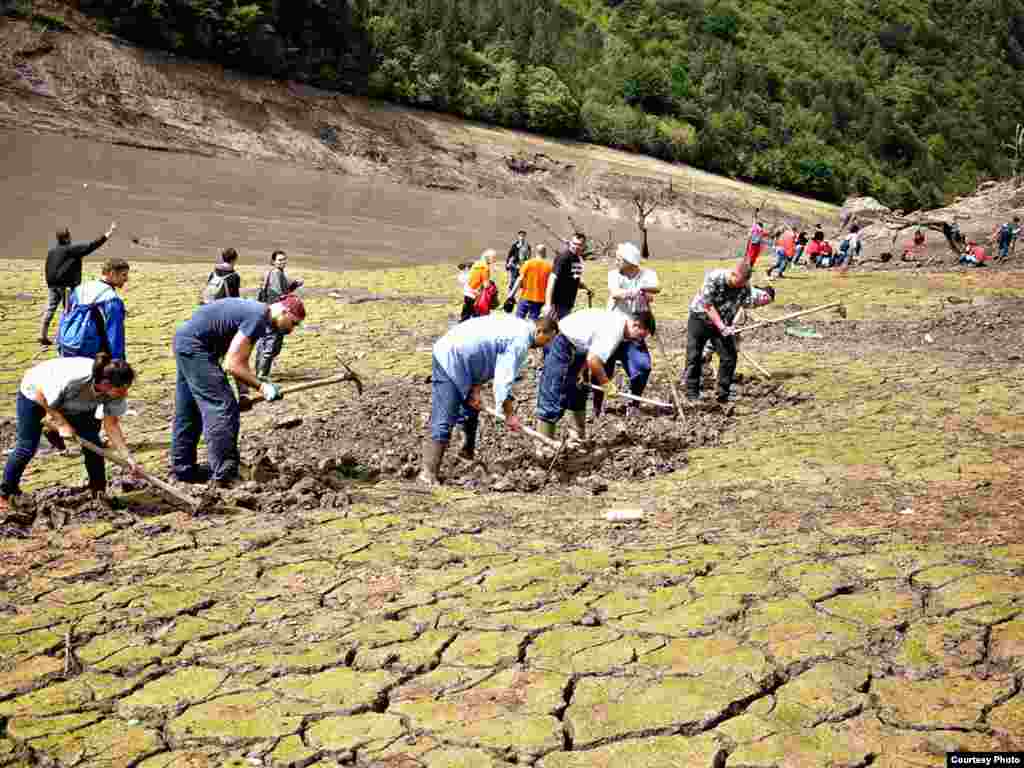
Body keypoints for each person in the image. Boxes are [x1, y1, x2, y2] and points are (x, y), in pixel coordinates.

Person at [171, 295, 306, 487]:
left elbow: (238, 358)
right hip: (196, 348)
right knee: (223, 407)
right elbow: (232, 364)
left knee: (189, 409)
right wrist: (262, 386)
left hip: (186, 341)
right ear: (284, 311)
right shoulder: (259, 317)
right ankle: (225, 475)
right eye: (293, 323)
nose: (291, 330)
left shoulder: (256, 312)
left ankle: (183, 470)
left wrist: (243, 393)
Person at [1, 354, 140, 529]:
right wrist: (62, 424)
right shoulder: (74, 380)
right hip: (36, 393)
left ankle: (98, 492)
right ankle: (5, 493)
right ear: (105, 384)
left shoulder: (115, 391)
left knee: (93, 444)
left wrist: (127, 457)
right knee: (26, 447)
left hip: (78, 404)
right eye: (121, 389)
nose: (125, 393)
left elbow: (111, 425)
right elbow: (40, 396)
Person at [419, 314, 559, 486]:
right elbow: (503, 382)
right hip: (452, 356)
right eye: (548, 339)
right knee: (445, 416)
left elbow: (487, 351)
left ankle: (464, 461)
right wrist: (509, 414)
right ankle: (428, 474)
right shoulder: (520, 341)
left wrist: (476, 388)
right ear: (539, 331)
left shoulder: (520, 326)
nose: (547, 344)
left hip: (465, 358)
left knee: (469, 412)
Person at [535, 308, 655, 445]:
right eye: (639, 336)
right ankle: (543, 447)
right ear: (635, 324)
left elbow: (591, 348)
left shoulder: (618, 324)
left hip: (579, 348)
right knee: (553, 392)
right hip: (563, 343)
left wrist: (581, 370)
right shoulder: (615, 330)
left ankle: (577, 439)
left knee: (578, 390)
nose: (637, 341)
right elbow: (593, 359)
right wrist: (607, 384)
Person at [683, 259, 775, 404]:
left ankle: (722, 393)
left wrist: (760, 318)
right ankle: (691, 392)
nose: (740, 287)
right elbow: (707, 304)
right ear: (733, 274)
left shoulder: (744, 286)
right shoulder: (714, 277)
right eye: (738, 283)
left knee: (729, 357)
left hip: (723, 322)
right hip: (700, 317)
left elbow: (746, 304)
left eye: (743, 284)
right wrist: (722, 326)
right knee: (694, 354)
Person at [600, 242, 660, 408]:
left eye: (619, 259)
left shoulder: (647, 274)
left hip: (635, 330)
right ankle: (598, 407)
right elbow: (615, 292)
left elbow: (656, 288)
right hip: (612, 330)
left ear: (629, 262)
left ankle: (634, 403)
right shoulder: (614, 274)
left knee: (643, 367)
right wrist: (633, 293)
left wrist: (645, 291)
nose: (616, 261)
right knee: (603, 369)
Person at [40, 221, 117, 346]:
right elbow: (91, 246)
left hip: (52, 284)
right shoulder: (71, 250)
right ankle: (65, 336)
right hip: (65, 285)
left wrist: (50, 282)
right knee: (68, 311)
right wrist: (108, 234)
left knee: (50, 309)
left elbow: (48, 266)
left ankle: (42, 335)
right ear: (67, 237)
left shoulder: (52, 251)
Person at [57, 257, 130, 360]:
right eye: (124, 275)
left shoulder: (80, 289)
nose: (126, 279)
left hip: (68, 345)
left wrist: (60, 344)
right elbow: (115, 334)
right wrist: (118, 361)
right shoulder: (111, 299)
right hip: (93, 353)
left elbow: (65, 315)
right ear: (112, 273)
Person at [255, 250, 305, 381]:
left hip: (267, 312)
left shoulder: (273, 273)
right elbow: (280, 296)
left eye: (284, 259)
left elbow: (282, 293)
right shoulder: (276, 274)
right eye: (279, 260)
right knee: (271, 345)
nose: (282, 262)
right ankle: (262, 375)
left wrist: (293, 285)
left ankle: (259, 372)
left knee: (264, 343)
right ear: (273, 261)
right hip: (276, 315)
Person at [543, 232, 593, 321]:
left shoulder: (577, 259)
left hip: (567, 304)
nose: (576, 246)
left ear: (583, 246)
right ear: (570, 242)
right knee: (554, 332)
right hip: (557, 304)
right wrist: (548, 304)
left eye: (579, 245)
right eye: (574, 243)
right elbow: (552, 279)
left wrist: (587, 289)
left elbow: (575, 279)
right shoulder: (563, 257)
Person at [509, 244, 552, 321]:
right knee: (533, 323)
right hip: (539, 300)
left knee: (518, 320)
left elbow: (519, 279)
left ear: (536, 252)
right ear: (545, 253)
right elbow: (550, 285)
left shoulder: (528, 263)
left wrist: (511, 295)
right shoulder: (549, 267)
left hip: (525, 297)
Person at [461, 249, 495, 322]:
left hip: (467, 292)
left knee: (465, 316)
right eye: (493, 258)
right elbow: (486, 285)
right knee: (478, 318)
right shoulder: (485, 268)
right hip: (476, 295)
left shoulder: (476, 264)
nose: (494, 260)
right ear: (487, 258)